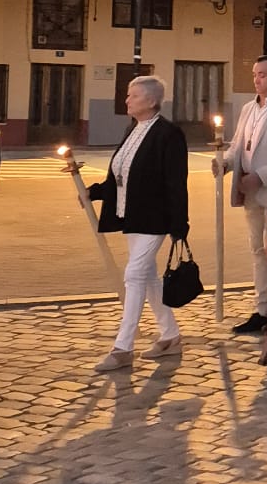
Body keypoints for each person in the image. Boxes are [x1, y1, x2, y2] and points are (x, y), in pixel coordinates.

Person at [75, 78, 189, 373]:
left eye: (133, 95)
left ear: (152, 101)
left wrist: (180, 224)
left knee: (135, 274)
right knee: (149, 277)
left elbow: (176, 182)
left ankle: (123, 347)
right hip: (131, 215)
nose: (127, 100)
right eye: (128, 95)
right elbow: (120, 175)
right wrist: (95, 192)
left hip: (156, 217)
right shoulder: (133, 130)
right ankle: (170, 336)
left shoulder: (169, 134)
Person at [222, 55, 267, 336]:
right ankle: (262, 309)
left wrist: (260, 176)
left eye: (263, 74)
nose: (257, 80)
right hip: (248, 190)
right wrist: (225, 162)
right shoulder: (249, 108)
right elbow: (238, 143)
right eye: (254, 74)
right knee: (256, 250)